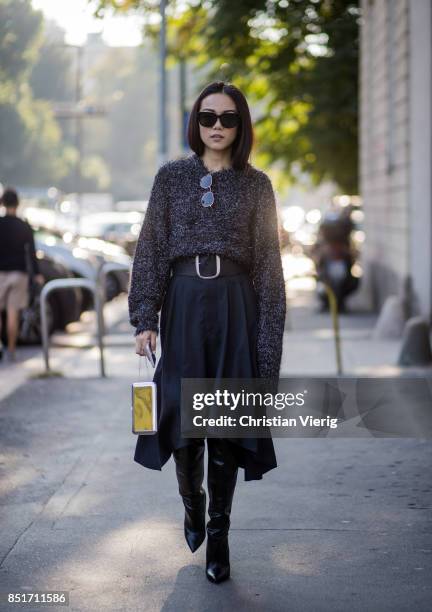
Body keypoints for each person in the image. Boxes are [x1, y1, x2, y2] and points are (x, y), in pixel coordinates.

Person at [128, 81, 286, 583]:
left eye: (228, 118)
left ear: (241, 127)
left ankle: (218, 536)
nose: (217, 126)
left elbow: (269, 267)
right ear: (194, 122)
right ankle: (191, 504)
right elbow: (150, 247)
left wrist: (268, 345)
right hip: (183, 303)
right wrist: (144, 318)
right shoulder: (171, 178)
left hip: (236, 306)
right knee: (182, 423)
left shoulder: (257, 184)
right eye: (207, 117)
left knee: (222, 427)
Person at [0, 188, 44, 362]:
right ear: (17, 204)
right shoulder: (24, 225)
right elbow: (32, 253)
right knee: (13, 314)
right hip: (19, 273)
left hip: (0, 273)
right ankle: (11, 350)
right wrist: (37, 274)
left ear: (3, 203)